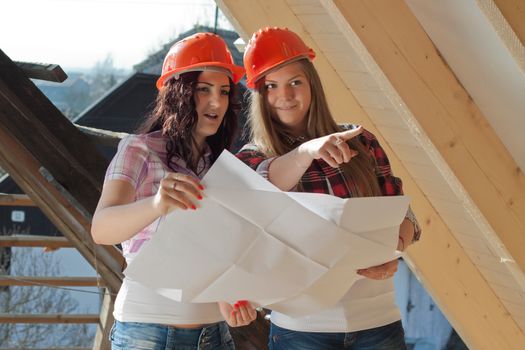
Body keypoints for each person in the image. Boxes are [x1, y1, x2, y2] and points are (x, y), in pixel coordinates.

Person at [236, 27, 422, 350]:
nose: (285, 95)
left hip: (378, 323)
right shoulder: (252, 158)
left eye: (295, 81)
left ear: (312, 84)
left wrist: (396, 248)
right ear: (260, 95)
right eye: (271, 86)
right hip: (301, 331)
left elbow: (403, 212)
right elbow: (264, 185)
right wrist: (308, 151)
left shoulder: (360, 141)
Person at [91, 32, 257, 350]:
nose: (216, 102)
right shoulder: (139, 150)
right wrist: (156, 204)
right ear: (178, 92)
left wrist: (231, 294)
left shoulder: (220, 164)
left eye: (224, 92)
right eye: (204, 90)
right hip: (148, 333)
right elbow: (101, 228)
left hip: (215, 333)